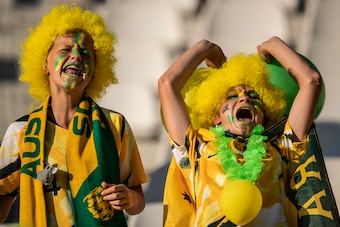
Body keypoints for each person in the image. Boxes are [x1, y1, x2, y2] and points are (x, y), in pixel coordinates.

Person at [158, 37, 340, 226]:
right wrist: (206, 48)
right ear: (216, 117)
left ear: (264, 115)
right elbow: (166, 84)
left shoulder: (283, 148)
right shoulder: (197, 150)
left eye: (254, 97)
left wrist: (273, 45)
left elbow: (311, 81)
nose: (245, 99)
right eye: (232, 96)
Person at [0, 4, 148, 226]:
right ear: (45, 64)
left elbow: (138, 202)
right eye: (66, 49)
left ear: (94, 71)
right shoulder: (19, 132)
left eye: (86, 53)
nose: (77, 56)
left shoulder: (115, 125)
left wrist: (128, 197)